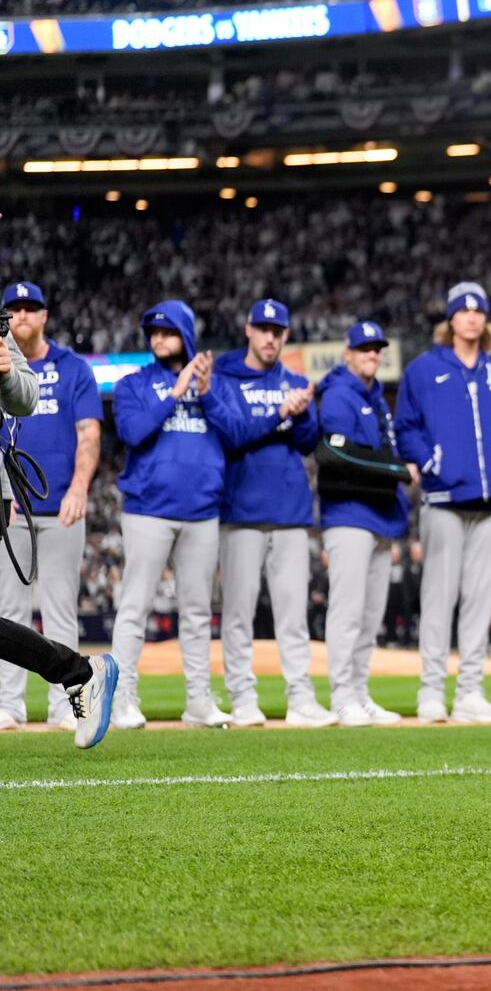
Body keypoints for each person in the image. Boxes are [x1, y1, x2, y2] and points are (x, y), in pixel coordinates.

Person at [111, 300, 251, 730]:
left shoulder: (215, 384)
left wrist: (205, 393)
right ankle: (122, 700)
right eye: (153, 332)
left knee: (195, 611)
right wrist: (175, 393)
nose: (157, 339)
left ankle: (199, 702)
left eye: (167, 332)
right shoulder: (133, 383)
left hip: (202, 512)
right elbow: (132, 432)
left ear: (187, 336)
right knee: (134, 607)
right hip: (148, 510)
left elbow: (239, 434)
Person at [394, 282, 491, 724]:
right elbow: (406, 426)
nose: (472, 317)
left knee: (479, 599)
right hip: (444, 495)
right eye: (463, 310)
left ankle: (470, 691)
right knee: (438, 596)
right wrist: (428, 459)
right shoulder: (423, 369)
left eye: (479, 311)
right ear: (449, 319)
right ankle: (431, 691)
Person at [0, 293, 114, 750]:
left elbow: (25, 398)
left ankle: (75, 678)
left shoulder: (65, 364)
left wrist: (7, 372)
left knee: (56, 604)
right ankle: (74, 673)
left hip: (33, 499)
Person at [213, 299, 335, 727]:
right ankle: (242, 698)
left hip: (289, 510)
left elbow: (306, 443)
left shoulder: (296, 379)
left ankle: (301, 697)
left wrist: (300, 415)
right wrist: (281, 412)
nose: (270, 337)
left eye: (277, 331)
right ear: (248, 330)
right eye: (263, 329)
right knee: (238, 614)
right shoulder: (225, 377)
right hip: (240, 508)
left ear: (285, 336)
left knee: (293, 615)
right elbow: (233, 435)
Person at [314, 321, 407, 726]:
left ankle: (360, 692)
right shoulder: (338, 393)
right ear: (347, 353)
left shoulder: (377, 399)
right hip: (349, 514)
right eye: (364, 348)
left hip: (381, 516)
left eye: (376, 348)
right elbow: (337, 454)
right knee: (348, 612)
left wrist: (392, 469)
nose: (372, 354)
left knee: (370, 617)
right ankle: (341, 696)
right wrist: (396, 468)